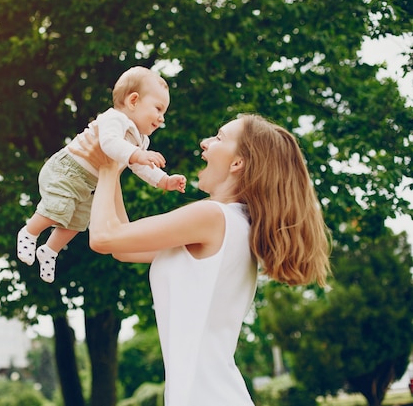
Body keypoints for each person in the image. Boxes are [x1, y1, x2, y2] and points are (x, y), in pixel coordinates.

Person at [74, 114, 331, 405]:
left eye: (219, 138)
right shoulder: (233, 224)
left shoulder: (212, 217)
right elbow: (122, 246)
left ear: (237, 163)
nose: (205, 143)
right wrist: (115, 163)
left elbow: (103, 238)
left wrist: (107, 166)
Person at [16, 66, 187, 283]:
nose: (162, 118)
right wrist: (136, 155)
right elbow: (109, 144)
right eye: (158, 109)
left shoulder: (141, 140)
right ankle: (29, 232)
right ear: (133, 101)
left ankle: (49, 250)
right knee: (57, 210)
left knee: (77, 223)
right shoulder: (114, 118)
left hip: (88, 184)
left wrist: (164, 180)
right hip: (68, 171)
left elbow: (141, 167)